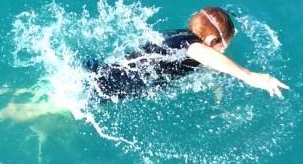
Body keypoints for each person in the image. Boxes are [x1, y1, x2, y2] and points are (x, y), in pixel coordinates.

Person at [83, 6, 288, 102]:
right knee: (61, 106)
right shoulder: (191, 46)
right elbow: (199, 52)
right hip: (106, 86)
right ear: (210, 41)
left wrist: (219, 99)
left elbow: (212, 64)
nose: (224, 51)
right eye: (223, 46)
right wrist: (249, 76)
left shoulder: (180, 36)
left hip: (106, 73)